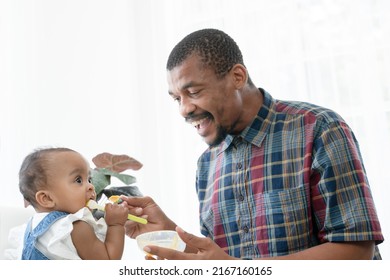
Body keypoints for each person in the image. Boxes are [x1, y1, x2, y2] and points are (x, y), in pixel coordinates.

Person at [122, 28, 384, 260]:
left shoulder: (319, 128)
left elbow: (357, 251)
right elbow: (222, 263)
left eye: (193, 92)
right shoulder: (207, 164)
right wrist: (167, 230)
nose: (184, 109)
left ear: (237, 76)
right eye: (176, 98)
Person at [18, 147, 129, 260]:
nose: (91, 186)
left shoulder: (32, 226)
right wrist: (116, 225)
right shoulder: (75, 227)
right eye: (78, 180)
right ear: (46, 198)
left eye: (89, 180)